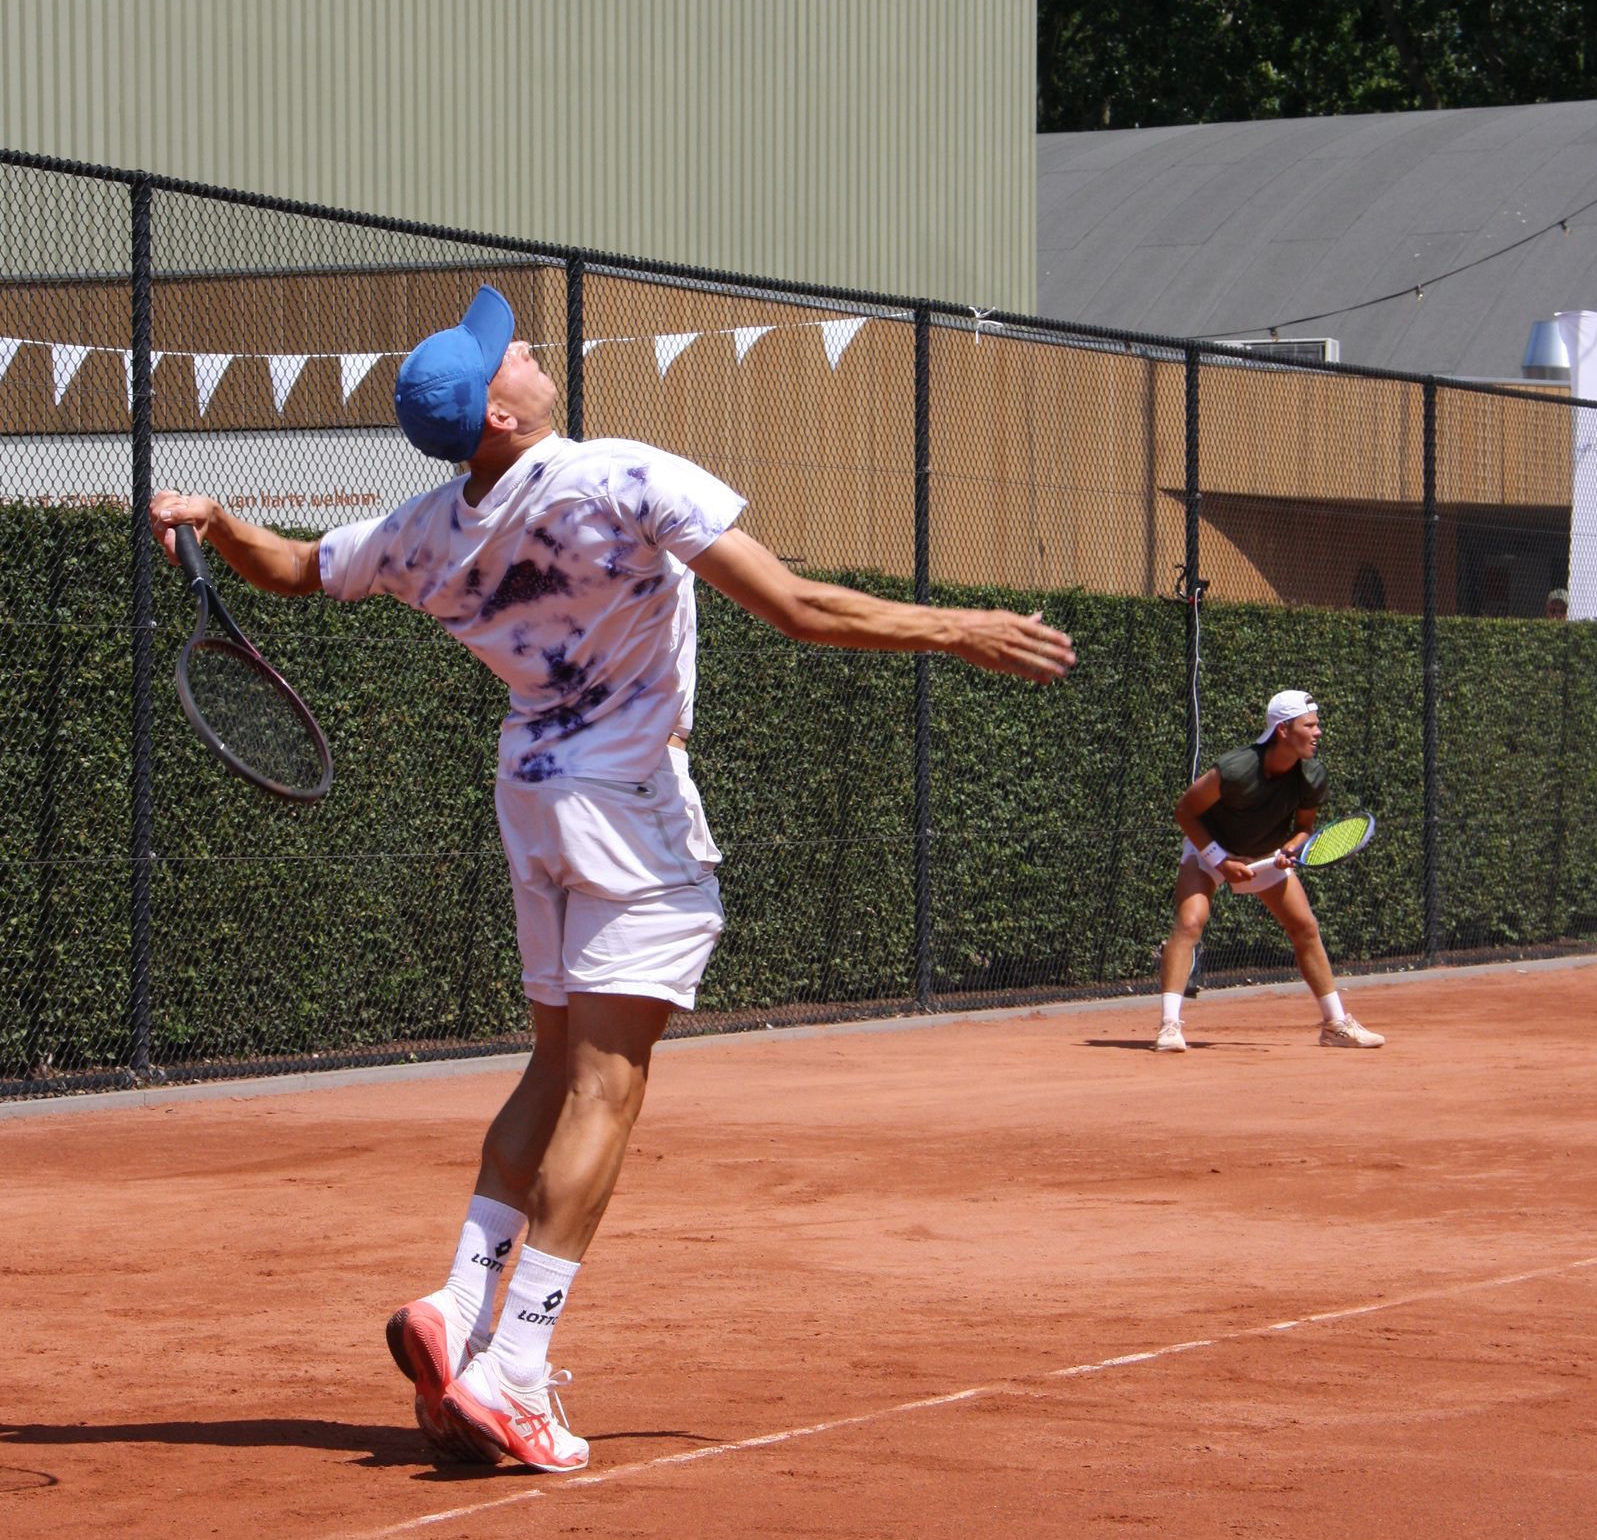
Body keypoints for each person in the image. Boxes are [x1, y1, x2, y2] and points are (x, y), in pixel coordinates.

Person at [150, 286, 1073, 1474]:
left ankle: (459, 1306)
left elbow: (293, 568)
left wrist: (220, 522)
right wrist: (961, 630)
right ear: (499, 414)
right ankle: (515, 1369)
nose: (528, 351)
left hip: (532, 798)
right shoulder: (621, 476)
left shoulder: (425, 531)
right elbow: (796, 608)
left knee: (553, 1065)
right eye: (509, 356)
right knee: (606, 1085)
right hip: (629, 808)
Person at [1154, 689, 1383, 1054]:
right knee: (1190, 921)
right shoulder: (1235, 769)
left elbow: (1304, 827)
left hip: (1264, 852)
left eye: (1317, 724)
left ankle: (1336, 1025)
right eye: (1310, 725)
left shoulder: (1312, 776)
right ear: (1283, 730)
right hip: (1210, 848)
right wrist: (1221, 861)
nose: (1318, 732)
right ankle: (1169, 1026)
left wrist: (1292, 848)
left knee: (1304, 927)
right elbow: (1185, 811)